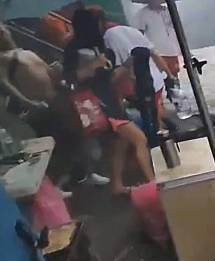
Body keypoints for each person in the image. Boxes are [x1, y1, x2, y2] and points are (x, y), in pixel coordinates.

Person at [64, 9, 155, 196]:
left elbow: (109, 78)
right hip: (98, 105)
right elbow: (70, 79)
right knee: (139, 139)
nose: (102, 25)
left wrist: (127, 65)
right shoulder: (73, 49)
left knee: (119, 144)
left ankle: (117, 186)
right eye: (98, 22)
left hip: (111, 101)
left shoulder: (101, 46)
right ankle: (153, 185)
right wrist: (92, 65)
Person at [90, 6, 175, 130]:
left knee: (111, 87)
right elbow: (154, 54)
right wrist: (169, 75)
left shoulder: (108, 37)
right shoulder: (131, 30)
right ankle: (164, 128)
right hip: (155, 79)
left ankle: (123, 124)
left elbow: (122, 67)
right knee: (156, 110)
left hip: (137, 82)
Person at [136, 0, 182, 79]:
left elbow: (177, 27)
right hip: (157, 53)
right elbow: (139, 34)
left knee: (174, 76)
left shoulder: (168, 10)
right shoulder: (143, 14)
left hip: (172, 50)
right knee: (163, 77)